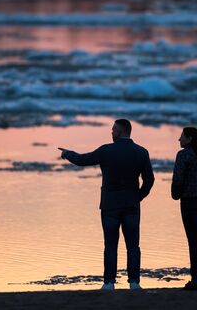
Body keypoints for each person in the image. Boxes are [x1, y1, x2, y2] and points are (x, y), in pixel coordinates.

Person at [59, 119, 154, 290]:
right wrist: (138, 197)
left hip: (110, 206)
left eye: (113, 130)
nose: (111, 133)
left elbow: (82, 160)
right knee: (133, 246)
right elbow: (149, 180)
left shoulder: (106, 151)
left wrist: (67, 153)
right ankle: (134, 283)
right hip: (131, 205)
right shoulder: (141, 152)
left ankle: (109, 283)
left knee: (110, 245)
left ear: (120, 131)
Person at [171, 127, 197, 290]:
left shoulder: (183, 155)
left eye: (182, 137)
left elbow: (178, 178)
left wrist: (175, 194)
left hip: (188, 202)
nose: (179, 139)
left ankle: (196, 280)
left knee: (193, 241)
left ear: (189, 139)